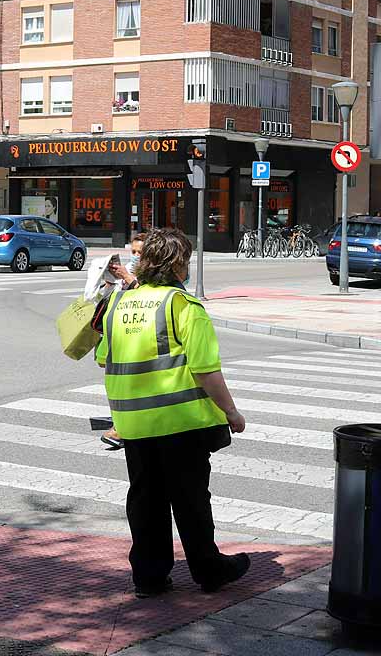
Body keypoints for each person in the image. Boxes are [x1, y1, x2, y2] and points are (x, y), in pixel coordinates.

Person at [95, 227, 250, 598]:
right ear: (179, 265)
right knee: (191, 499)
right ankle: (209, 569)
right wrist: (231, 412)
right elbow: (205, 370)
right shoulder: (181, 306)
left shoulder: (118, 304)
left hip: (133, 424)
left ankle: (148, 576)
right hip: (180, 422)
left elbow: (105, 359)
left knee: (145, 499)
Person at [96, 233, 145, 450]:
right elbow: (106, 298)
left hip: (137, 333)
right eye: (133, 251)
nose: (135, 256)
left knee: (130, 382)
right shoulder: (126, 270)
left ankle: (121, 428)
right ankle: (123, 425)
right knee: (113, 377)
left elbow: (146, 297)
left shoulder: (150, 274)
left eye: (140, 253)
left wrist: (128, 277)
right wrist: (107, 283)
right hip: (115, 331)